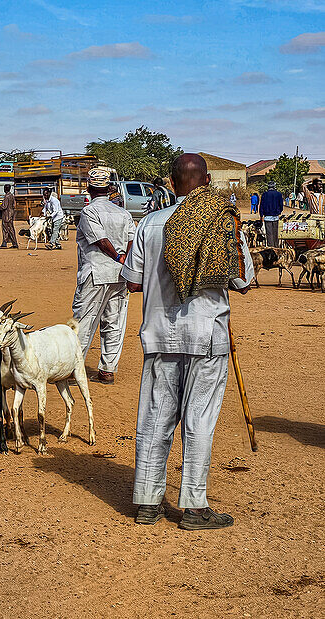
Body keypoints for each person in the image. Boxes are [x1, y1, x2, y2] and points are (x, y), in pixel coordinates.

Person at [122, 153, 253, 530]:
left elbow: (132, 281)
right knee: (199, 422)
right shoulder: (223, 223)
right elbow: (243, 282)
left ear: (170, 181)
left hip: (160, 335)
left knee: (154, 420)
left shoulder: (148, 223)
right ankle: (194, 508)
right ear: (208, 181)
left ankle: (148, 502)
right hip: (208, 335)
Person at [71, 168, 135, 385]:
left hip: (96, 273)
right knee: (114, 321)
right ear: (109, 189)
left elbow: (100, 240)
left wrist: (117, 256)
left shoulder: (89, 212)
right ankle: (107, 369)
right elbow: (130, 239)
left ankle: (72, 367)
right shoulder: (123, 213)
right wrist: (124, 258)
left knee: (83, 321)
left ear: (88, 188)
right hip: (119, 275)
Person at [260, 181, 284, 247]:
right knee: (275, 233)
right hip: (276, 216)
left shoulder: (264, 194)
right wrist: (279, 211)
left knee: (269, 233)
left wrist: (261, 215)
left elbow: (261, 205)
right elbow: (281, 205)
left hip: (267, 217)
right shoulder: (278, 194)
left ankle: (271, 247)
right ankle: (276, 247)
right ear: (274, 186)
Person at [0, 183, 19, 249]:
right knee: (11, 229)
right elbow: (13, 205)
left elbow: (4, 206)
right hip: (11, 214)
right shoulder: (12, 195)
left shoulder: (6, 196)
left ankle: (4, 243)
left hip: (6, 215)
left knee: (5, 229)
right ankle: (14, 243)